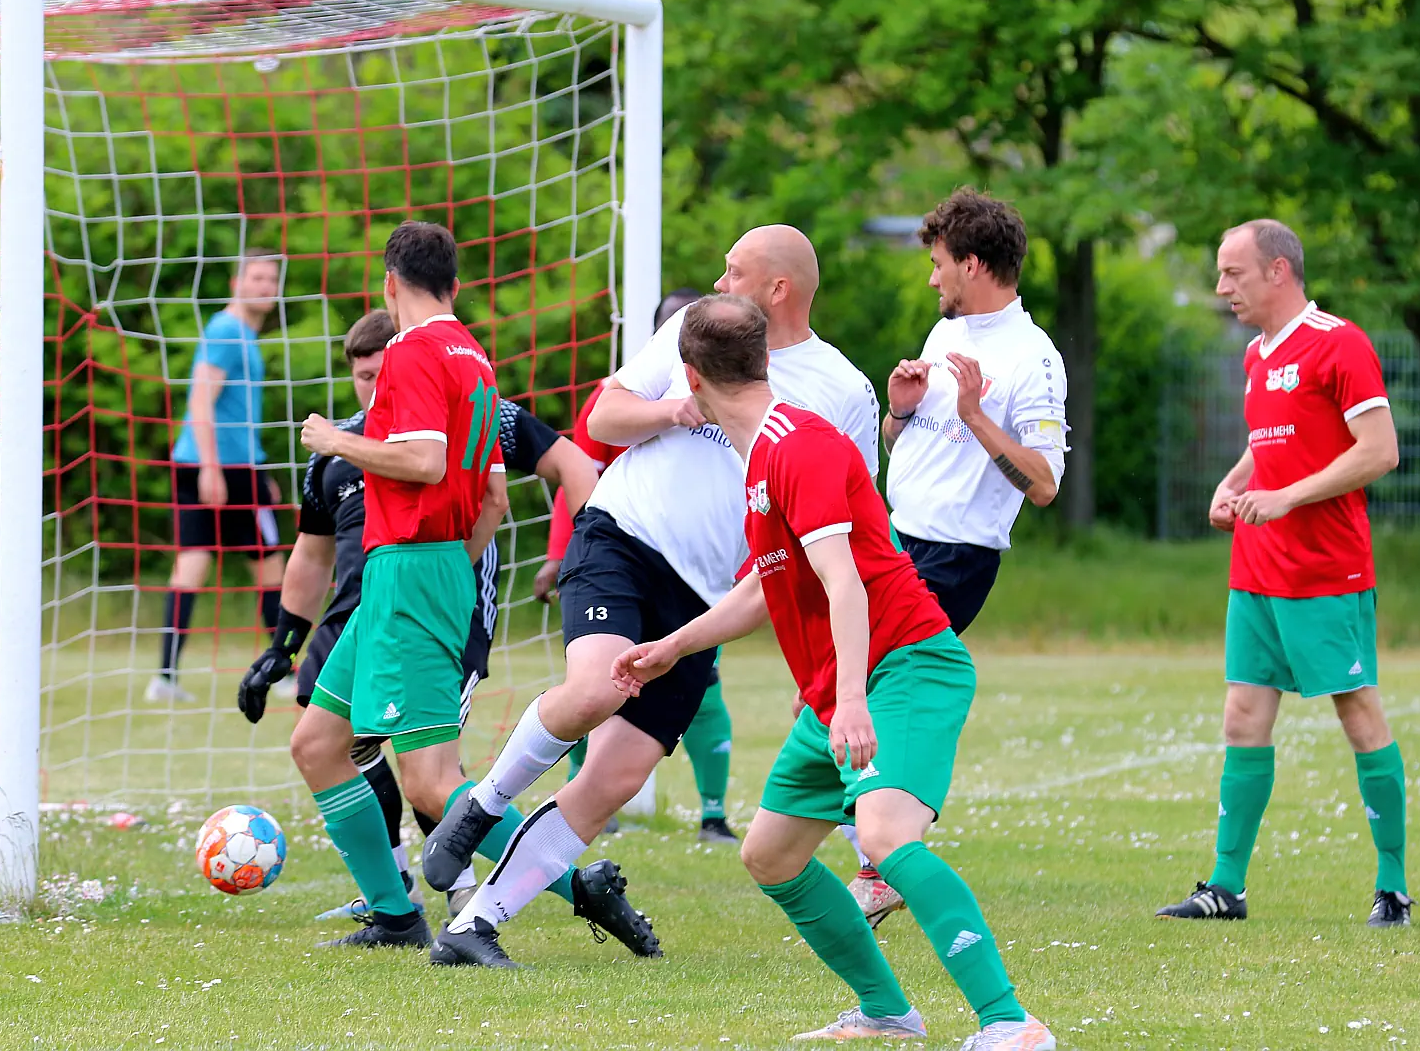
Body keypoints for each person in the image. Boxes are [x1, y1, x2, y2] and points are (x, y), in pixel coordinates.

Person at [421, 225, 877, 968]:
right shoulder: (698, 328)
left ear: (778, 289)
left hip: (706, 597)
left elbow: (838, 526)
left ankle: (474, 927)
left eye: (734, 271)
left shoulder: (842, 389)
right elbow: (601, 420)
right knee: (597, 689)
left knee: (615, 778)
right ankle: (483, 803)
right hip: (621, 540)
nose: (720, 283)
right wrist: (675, 411)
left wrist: (823, 661)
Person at [611, 295, 1053, 1049]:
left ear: (690, 377)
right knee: (771, 854)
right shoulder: (762, 454)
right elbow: (763, 587)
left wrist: (850, 700)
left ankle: (1010, 1023)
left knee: (883, 835)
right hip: (841, 686)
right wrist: (673, 647)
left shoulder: (798, 446)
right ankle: (887, 1012)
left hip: (904, 665)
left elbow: (843, 581)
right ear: (762, 360)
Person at [253, 222, 656, 955]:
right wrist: (452, 565)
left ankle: (578, 885)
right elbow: (489, 491)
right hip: (405, 572)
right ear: (456, 285)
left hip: (412, 570)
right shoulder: (473, 355)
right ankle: (395, 915)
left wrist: (336, 440)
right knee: (317, 742)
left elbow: (425, 463)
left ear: (389, 283)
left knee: (432, 782)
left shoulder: (412, 350)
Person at [1155, 220, 1407, 927]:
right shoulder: (1257, 354)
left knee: (1358, 714)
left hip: (1326, 571)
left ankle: (1393, 887)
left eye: (1232, 272)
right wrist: (1233, 483)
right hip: (1256, 570)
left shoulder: (1338, 342)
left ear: (1278, 271)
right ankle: (1225, 888)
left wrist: (1287, 496)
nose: (1221, 287)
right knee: (1242, 717)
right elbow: (1269, 442)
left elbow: (1380, 450)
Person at [847, 187, 1069, 926]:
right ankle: (871, 847)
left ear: (972, 264)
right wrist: (900, 411)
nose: (931, 278)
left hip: (955, 557)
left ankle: (880, 860)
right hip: (896, 538)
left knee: (879, 689)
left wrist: (975, 414)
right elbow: (904, 447)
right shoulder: (945, 334)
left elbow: (1044, 484)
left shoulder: (1034, 358)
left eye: (940, 263)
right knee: (853, 686)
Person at [545, 287, 742, 845]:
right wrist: (561, 553)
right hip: (622, 558)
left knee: (704, 692)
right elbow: (578, 473)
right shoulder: (626, 393)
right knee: (596, 687)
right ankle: (558, 794)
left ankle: (713, 815)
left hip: (702, 581)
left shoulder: (752, 391)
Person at [147, 251, 286, 704]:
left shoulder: (241, 333)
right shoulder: (227, 331)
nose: (266, 286)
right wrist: (211, 466)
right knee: (270, 567)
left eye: (272, 279)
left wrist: (260, 469)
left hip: (228, 465)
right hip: (217, 467)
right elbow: (200, 401)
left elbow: (232, 412)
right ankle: (283, 673)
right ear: (236, 283)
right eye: (257, 277)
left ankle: (165, 677)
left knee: (195, 564)